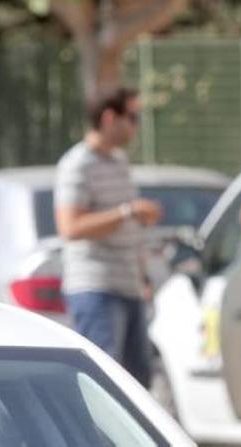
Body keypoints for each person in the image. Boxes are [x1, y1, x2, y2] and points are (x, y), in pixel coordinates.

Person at [54, 87, 162, 387]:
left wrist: (143, 277)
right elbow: (70, 227)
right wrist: (127, 212)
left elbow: (128, 228)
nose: (136, 126)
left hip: (129, 287)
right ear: (109, 117)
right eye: (133, 117)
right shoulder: (77, 164)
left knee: (138, 384)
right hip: (95, 288)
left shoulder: (119, 162)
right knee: (104, 384)